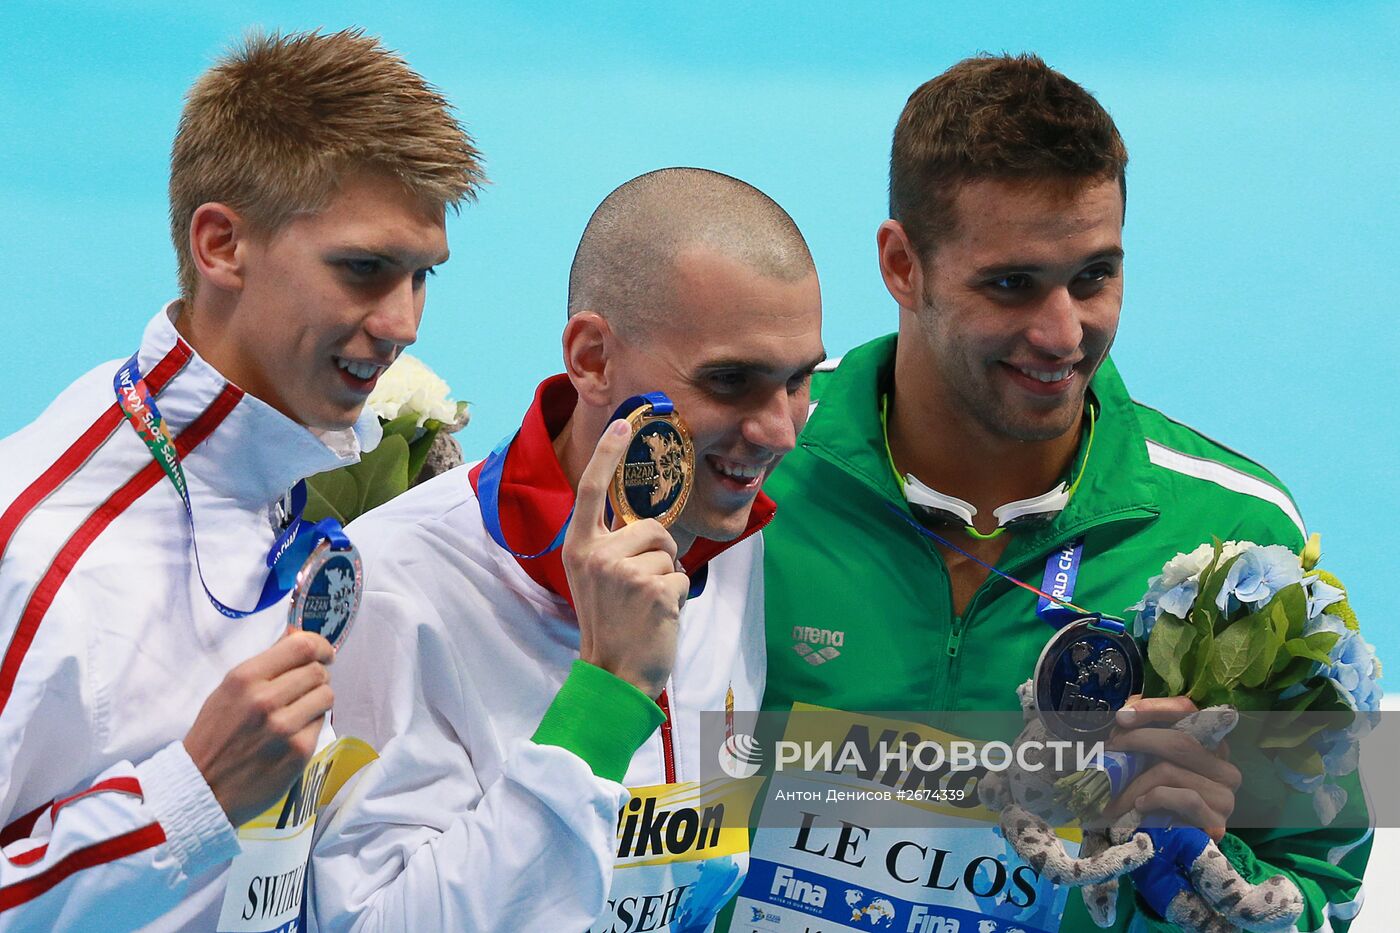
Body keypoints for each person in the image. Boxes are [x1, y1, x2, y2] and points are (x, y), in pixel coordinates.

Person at [745, 55, 1370, 932]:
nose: (1063, 332)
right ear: (902, 264)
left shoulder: (1237, 541)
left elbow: (1325, 895)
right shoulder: (754, 476)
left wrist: (1206, 869)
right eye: (1012, 284)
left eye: (1094, 276)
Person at [0, 29, 482, 931]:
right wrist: (191, 796)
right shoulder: (41, 553)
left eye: (423, 277)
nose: (404, 322)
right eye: (364, 270)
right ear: (223, 245)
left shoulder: (308, 471)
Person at [307, 167, 825, 932]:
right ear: (590, 359)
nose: (778, 429)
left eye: (797, 380)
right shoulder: (392, 585)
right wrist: (605, 695)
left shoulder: (737, 539)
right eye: (731, 381)